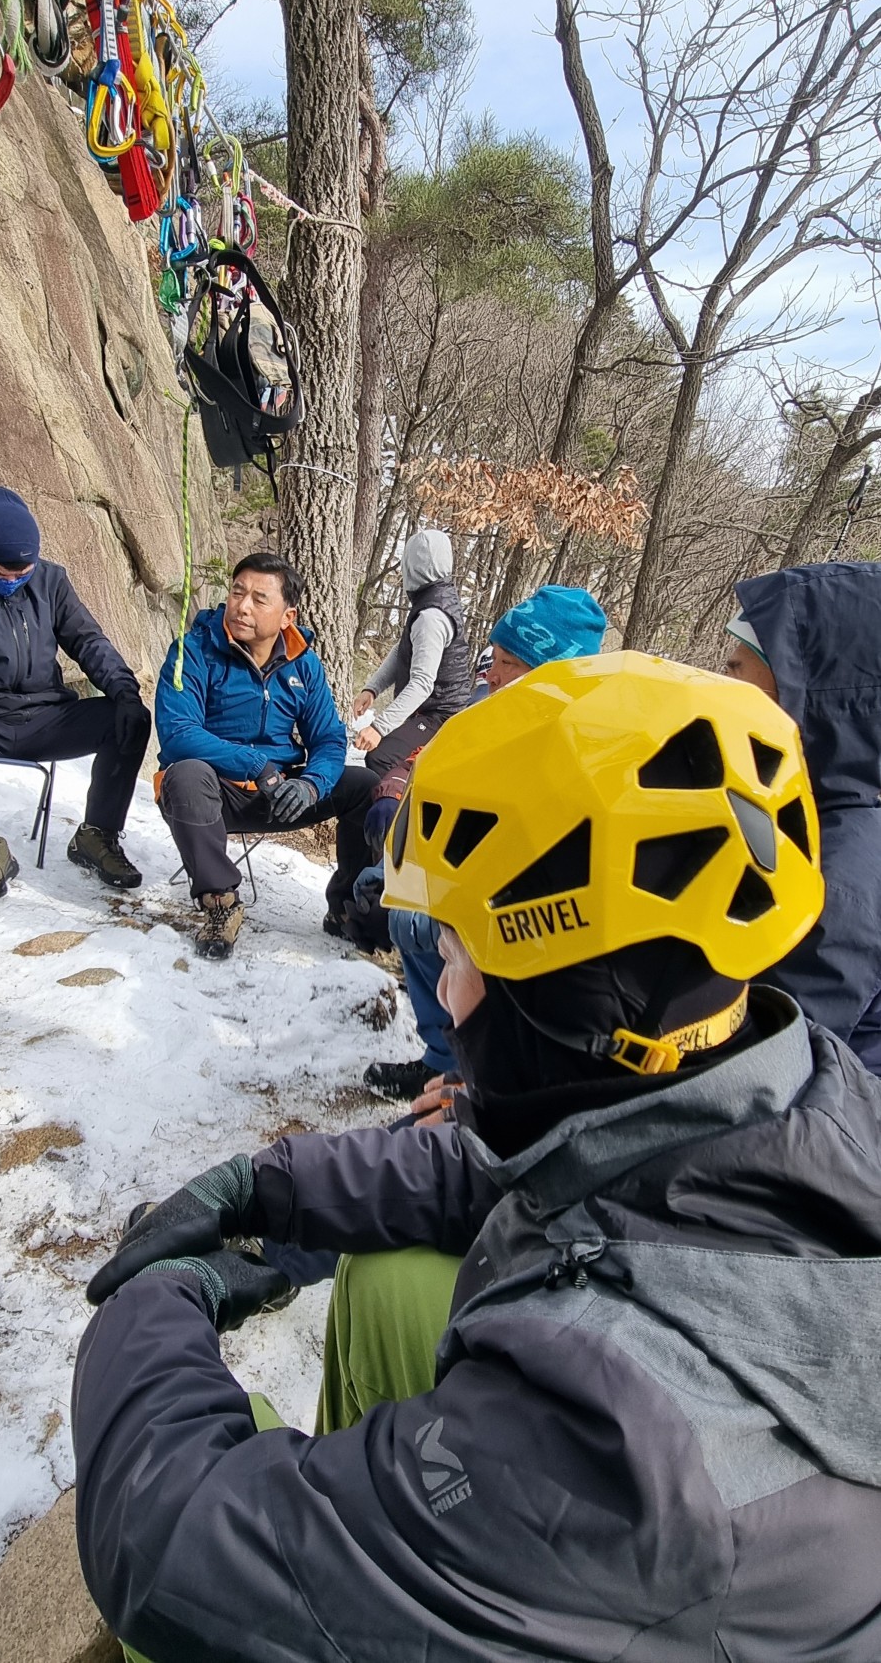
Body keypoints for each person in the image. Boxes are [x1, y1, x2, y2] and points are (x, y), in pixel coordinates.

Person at [74, 652, 881, 1663]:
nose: (444, 998)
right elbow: (555, 1166)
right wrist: (269, 1189)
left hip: (658, 1515)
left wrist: (148, 1302)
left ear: (564, 1004)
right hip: (696, 1520)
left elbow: (169, 1551)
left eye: (454, 957)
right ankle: (402, 1541)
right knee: (387, 1277)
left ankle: (398, 1566)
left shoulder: (610, 1459)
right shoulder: (793, 1075)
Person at [363, 583, 607, 1099]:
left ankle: (473, 1071)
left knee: (424, 919)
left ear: (555, 672)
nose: (491, 674)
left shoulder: (586, 747)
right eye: (493, 658)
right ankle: (444, 1059)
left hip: (554, 921)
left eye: (511, 663)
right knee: (402, 902)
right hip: (492, 888)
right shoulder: (498, 716)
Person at [0, 486, 150, 905]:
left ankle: (97, 837)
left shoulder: (49, 579)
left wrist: (124, 690)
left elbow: (89, 641)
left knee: (127, 717)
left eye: (20, 573)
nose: (11, 581)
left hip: (46, 716)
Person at [154, 551, 374, 960]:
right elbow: (178, 734)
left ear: (286, 617)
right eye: (237, 591)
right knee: (183, 773)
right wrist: (254, 764)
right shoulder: (194, 650)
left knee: (366, 788)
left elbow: (328, 738)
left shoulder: (303, 664)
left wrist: (311, 785)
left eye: (259, 598)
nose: (242, 605)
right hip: (217, 793)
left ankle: (348, 909)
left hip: (283, 794)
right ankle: (221, 904)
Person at [724, 560, 881, 1071]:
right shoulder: (815, 817)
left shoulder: (841, 875)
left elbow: (749, 1069)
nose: (722, 689)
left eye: (736, 670)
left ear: (806, 695)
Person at [351, 529, 470, 777]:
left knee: (381, 758)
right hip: (432, 710)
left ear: (411, 567)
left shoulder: (431, 617)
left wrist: (378, 728)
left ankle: (392, 814)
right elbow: (404, 649)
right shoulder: (436, 599)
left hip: (442, 716)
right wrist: (372, 689)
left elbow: (422, 683)